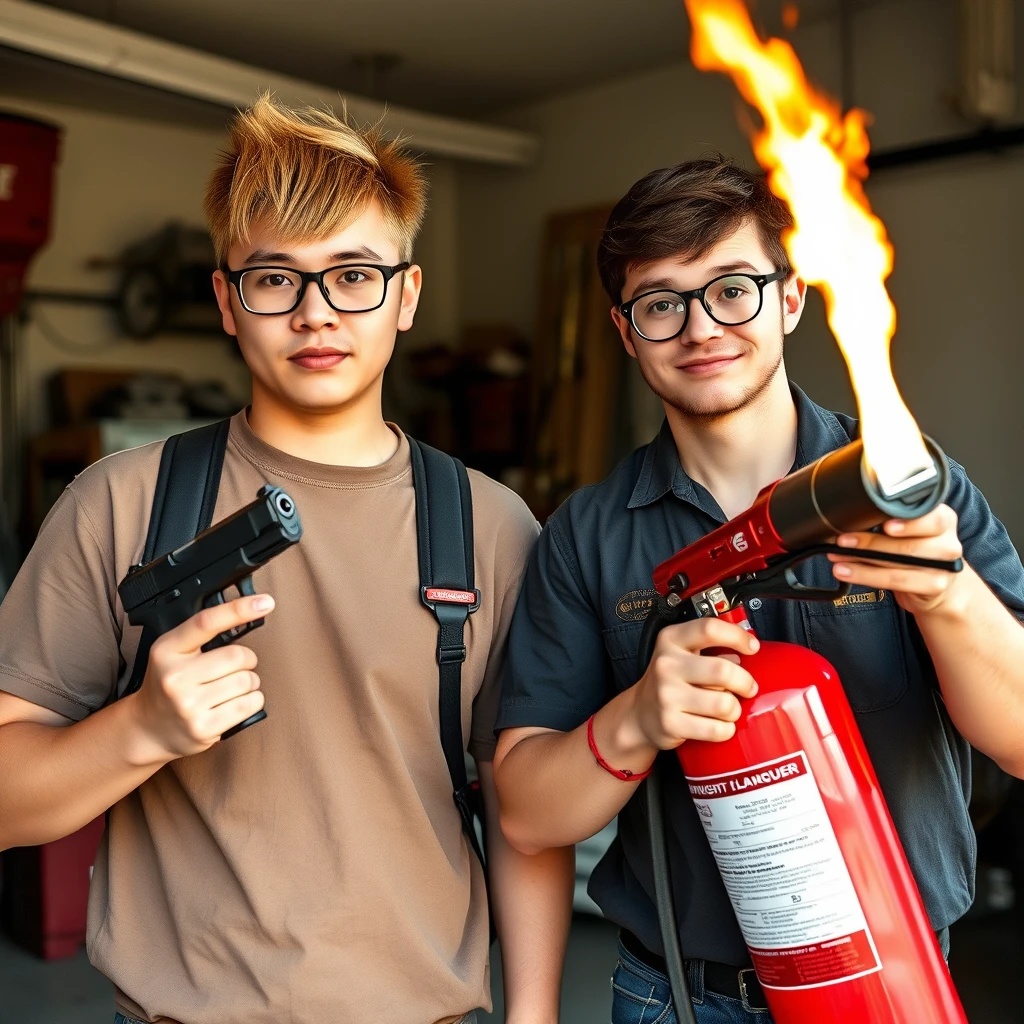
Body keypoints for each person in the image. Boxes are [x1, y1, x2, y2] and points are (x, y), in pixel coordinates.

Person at [0, 95, 573, 1024]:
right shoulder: (120, 503)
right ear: (228, 301)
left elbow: (527, 811)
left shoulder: (492, 526)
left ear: (408, 296)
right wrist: (141, 729)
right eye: (275, 279)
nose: (315, 314)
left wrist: (536, 1015)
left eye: (353, 275)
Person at [492, 157, 1024, 1024]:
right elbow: (526, 816)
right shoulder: (584, 537)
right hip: (677, 1000)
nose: (701, 328)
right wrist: (637, 719)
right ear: (627, 333)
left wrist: (949, 598)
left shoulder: (909, 487)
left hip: (890, 985)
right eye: (661, 302)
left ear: (791, 298)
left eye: (732, 287)